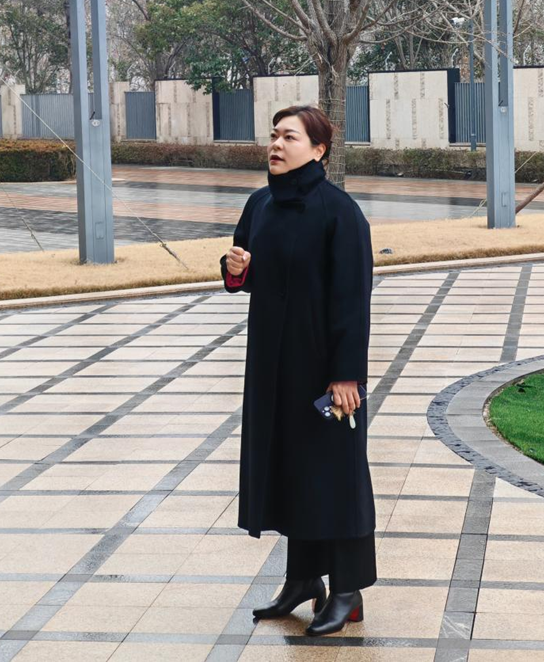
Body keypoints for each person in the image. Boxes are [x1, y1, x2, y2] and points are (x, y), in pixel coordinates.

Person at [219, 104, 376, 637]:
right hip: (273, 366)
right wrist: (236, 270)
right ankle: (304, 580)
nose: (276, 144)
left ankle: (348, 591)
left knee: (338, 476)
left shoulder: (340, 213)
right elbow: (245, 270)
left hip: (325, 372)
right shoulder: (260, 204)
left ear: (319, 149)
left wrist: (347, 375)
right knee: (292, 471)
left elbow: (353, 299)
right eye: (274, 135)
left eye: (289, 137)